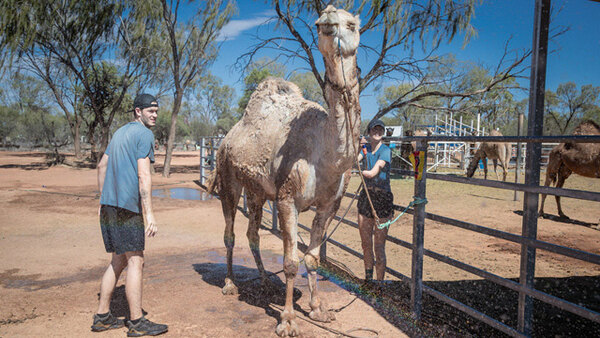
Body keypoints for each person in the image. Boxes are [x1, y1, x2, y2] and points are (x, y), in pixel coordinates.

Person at [91, 93, 168, 336]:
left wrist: (103, 198)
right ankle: (136, 322)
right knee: (136, 260)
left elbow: (101, 166)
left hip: (109, 207)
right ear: (138, 111)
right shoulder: (144, 134)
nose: (154, 115)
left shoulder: (119, 133)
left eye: (156, 111)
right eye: (150, 111)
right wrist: (150, 215)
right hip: (127, 209)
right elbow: (143, 176)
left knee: (118, 260)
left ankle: (102, 316)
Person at [357, 119, 394, 282]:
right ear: (369, 131)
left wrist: (359, 171)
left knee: (379, 246)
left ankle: (379, 283)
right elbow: (353, 160)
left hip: (382, 199)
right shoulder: (365, 149)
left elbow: (373, 172)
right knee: (366, 244)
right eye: (374, 129)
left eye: (380, 129)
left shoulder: (385, 150)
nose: (377, 132)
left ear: (383, 132)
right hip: (366, 197)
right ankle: (368, 280)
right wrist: (357, 147)